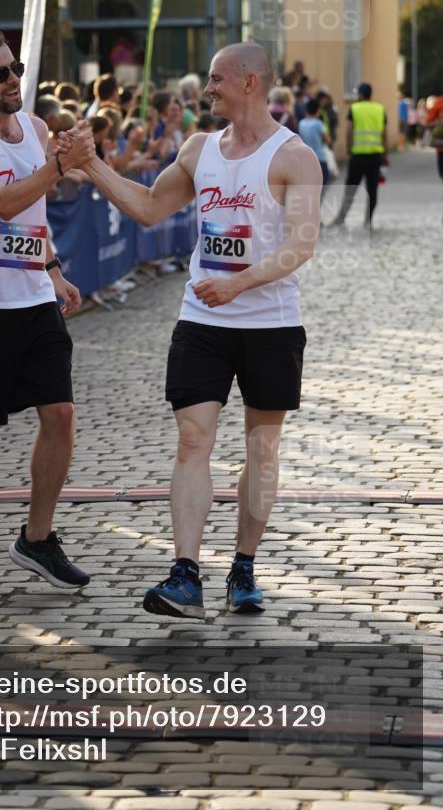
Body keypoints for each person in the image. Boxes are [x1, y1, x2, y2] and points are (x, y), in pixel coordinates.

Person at [63, 43, 321, 618]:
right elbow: (149, 206)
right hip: (202, 320)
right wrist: (92, 164)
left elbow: (302, 244)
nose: (207, 90)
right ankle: (185, 574)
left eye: (216, 79)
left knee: (261, 449)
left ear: (249, 82)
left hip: (270, 323)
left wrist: (239, 283)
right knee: (192, 439)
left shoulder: (294, 157)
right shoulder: (199, 149)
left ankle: (243, 567)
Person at [0, 28, 95, 602]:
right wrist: (60, 165)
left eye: (16, 69)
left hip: (32, 299)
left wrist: (53, 270)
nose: (13, 81)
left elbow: (31, 215)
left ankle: (37, 538)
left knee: (61, 414)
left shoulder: (35, 129)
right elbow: (3, 201)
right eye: (0, 74)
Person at [331, 82, 388, 229]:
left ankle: (341, 218)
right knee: (372, 190)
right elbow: (384, 134)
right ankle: (368, 220)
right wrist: (385, 155)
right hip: (375, 155)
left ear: (361, 94)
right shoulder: (380, 109)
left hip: (358, 155)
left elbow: (349, 131)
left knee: (351, 188)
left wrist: (349, 149)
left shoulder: (354, 109)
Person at [298, 98, 330, 195]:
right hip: (320, 157)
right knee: (322, 184)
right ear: (318, 110)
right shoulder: (319, 123)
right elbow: (327, 139)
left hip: (305, 158)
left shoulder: (301, 123)